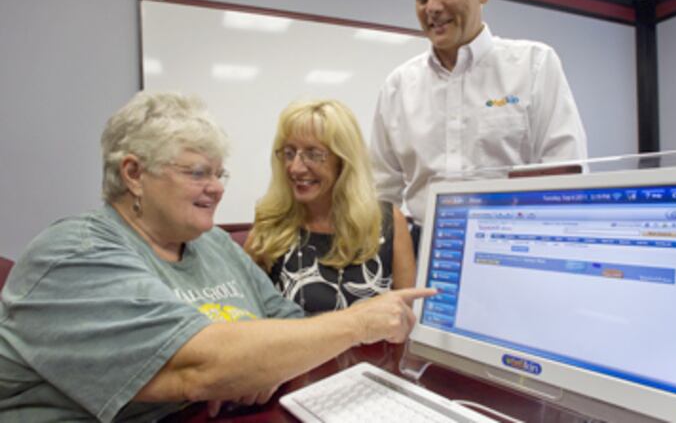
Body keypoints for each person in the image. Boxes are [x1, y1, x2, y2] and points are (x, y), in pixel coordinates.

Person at [0, 91, 434, 422]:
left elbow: (289, 322)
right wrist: (358, 323)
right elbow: (199, 364)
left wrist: (254, 365)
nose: (217, 188)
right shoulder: (75, 256)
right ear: (134, 174)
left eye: (218, 173)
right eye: (197, 173)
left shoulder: (214, 246)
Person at [370, 0, 588, 244]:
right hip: (422, 255)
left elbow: (567, 177)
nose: (432, 7)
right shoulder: (398, 86)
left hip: (517, 249)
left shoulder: (535, 65)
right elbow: (382, 193)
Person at [245, 99, 417, 314]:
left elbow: (406, 316)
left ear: (343, 161)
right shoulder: (270, 228)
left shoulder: (387, 222)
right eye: (289, 153)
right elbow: (245, 320)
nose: (295, 168)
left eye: (313, 154)